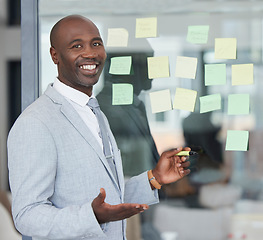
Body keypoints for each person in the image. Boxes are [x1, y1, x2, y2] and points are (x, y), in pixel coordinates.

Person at [7, 15, 190, 240]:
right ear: (55, 55)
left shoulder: (95, 112)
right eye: (77, 46)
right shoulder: (35, 123)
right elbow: (27, 216)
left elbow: (106, 195)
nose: (90, 53)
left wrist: (154, 178)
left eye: (96, 43)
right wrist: (91, 217)